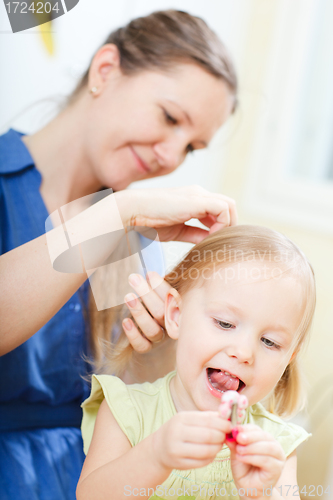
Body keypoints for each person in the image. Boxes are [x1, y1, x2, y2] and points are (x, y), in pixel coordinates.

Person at [0, 9, 239, 500]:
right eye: (170, 117)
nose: (171, 156)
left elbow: (132, 398)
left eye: (191, 146)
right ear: (105, 70)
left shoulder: (135, 237)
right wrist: (120, 214)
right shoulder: (122, 216)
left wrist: (166, 345)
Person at [78, 225, 316, 500]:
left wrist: (263, 493)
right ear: (176, 315)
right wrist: (155, 456)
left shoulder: (276, 444)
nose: (244, 352)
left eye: (270, 342)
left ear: (288, 359)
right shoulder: (127, 411)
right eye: (225, 323)